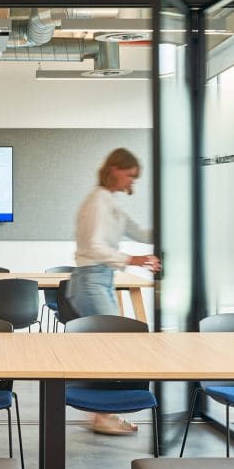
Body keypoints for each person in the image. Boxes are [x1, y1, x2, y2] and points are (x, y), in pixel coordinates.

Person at [67, 147, 161, 436]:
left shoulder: (111, 202)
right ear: (115, 169)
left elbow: (140, 233)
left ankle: (102, 413)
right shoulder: (98, 202)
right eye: (130, 175)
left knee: (105, 345)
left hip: (101, 277)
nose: (132, 183)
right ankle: (103, 414)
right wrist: (132, 260)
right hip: (90, 279)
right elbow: (93, 246)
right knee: (111, 344)